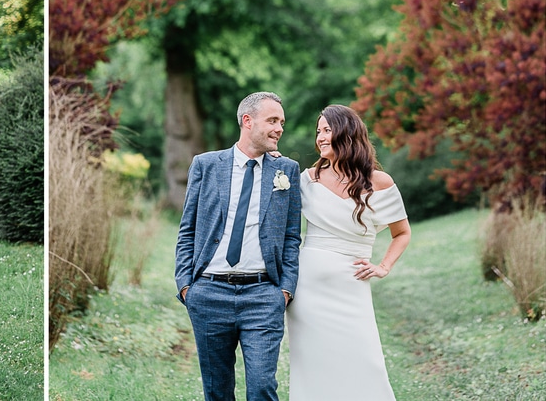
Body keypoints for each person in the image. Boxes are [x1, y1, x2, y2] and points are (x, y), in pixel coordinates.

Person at [175, 91, 302, 401]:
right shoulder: (206, 165)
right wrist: (186, 285)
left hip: (263, 295)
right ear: (248, 121)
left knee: (261, 387)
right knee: (217, 390)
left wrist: (285, 290)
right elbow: (187, 228)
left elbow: (291, 236)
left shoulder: (287, 170)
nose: (279, 129)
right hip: (208, 293)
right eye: (272, 121)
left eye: (281, 122)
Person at [287, 104, 411, 401]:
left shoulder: (380, 182)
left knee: (366, 362)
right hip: (308, 289)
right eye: (318, 131)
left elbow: (402, 233)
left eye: (327, 130)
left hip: (352, 286)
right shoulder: (307, 178)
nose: (320, 137)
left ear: (347, 133)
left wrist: (383, 266)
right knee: (313, 366)